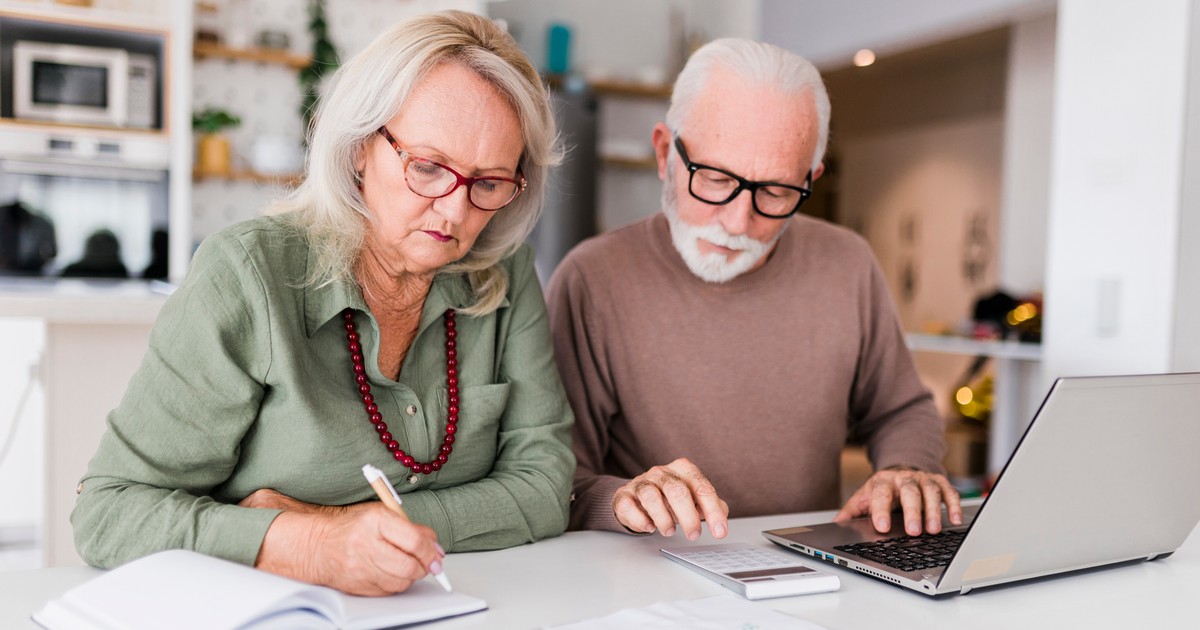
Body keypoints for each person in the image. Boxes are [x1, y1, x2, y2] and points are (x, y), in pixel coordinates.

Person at [72, 10, 574, 596]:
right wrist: (304, 547)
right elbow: (109, 511)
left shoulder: (506, 273)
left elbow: (545, 487)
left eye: (488, 183)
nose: (455, 210)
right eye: (428, 167)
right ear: (360, 146)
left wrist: (338, 525)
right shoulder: (249, 273)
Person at [546, 38, 961, 542]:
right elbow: (556, 479)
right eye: (715, 179)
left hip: (809, 563)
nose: (738, 222)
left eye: (776, 191)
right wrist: (622, 499)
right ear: (664, 152)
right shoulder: (591, 280)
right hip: (650, 566)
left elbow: (901, 409)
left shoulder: (848, 263)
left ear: (811, 179)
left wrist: (906, 468)